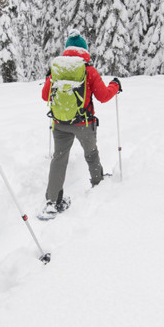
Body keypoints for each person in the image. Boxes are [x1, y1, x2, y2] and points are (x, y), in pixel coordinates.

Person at [40, 33, 121, 219]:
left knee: (59, 159)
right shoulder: (88, 70)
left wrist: (49, 79)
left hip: (59, 123)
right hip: (84, 122)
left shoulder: (56, 70)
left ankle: (52, 201)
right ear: (84, 50)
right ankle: (98, 183)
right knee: (91, 154)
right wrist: (115, 86)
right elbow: (103, 96)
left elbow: (45, 96)